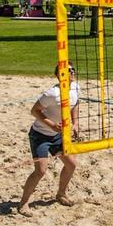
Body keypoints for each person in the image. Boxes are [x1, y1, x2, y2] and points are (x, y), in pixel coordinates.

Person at [18, 64, 80, 217]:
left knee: (71, 164)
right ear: (59, 76)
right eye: (67, 70)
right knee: (41, 170)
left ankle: (61, 194)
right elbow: (34, 110)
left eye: (73, 70)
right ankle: (23, 203)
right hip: (40, 135)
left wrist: (76, 123)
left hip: (58, 135)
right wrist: (51, 124)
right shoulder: (52, 93)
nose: (71, 72)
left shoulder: (76, 88)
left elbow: (76, 103)